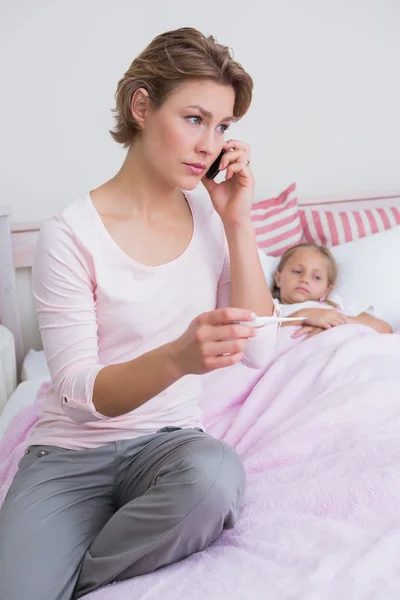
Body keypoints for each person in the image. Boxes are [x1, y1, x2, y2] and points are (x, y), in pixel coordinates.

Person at [0, 28, 280, 600]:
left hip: (169, 447)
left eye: (222, 127)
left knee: (216, 478)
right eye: (195, 118)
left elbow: (258, 348)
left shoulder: (213, 219)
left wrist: (238, 223)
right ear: (143, 105)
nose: (209, 144)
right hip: (70, 454)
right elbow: (79, 395)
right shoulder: (69, 235)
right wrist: (178, 357)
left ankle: (65, 569)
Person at [271, 242, 392, 339]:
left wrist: (338, 322)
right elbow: (260, 339)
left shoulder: (336, 306)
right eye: (297, 271)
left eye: (317, 277)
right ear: (278, 278)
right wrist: (303, 315)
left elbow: (385, 329)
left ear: (326, 291)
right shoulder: (271, 307)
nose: (304, 279)